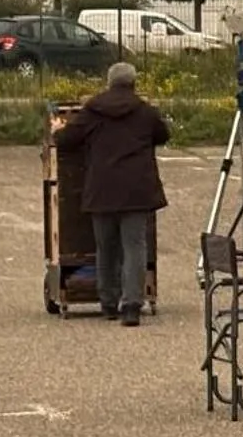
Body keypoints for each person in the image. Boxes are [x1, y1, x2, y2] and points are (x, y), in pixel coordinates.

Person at [53, 62, 170, 326]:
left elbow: (67, 140)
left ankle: (108, 303)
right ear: (133, 83)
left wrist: (57, 129)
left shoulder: (93, 110)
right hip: (136, 190)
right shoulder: (145, 111)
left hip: (102, 188)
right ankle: (132, 306)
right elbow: (163, 135)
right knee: (134, 247)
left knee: (106, 247)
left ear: (109, 83)